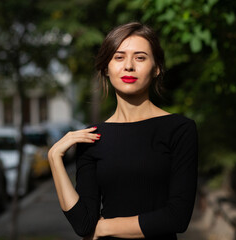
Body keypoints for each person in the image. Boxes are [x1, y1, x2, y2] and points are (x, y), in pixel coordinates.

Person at [48, 22, 198, 240]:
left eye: (140, 57)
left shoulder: (180, 130)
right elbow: (83, 224)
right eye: (119, 57)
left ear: (157, 68)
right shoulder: (92, 137)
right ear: (106, 68)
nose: (128, 66)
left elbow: (177, 217)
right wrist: (54, 158)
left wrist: (103, 228)